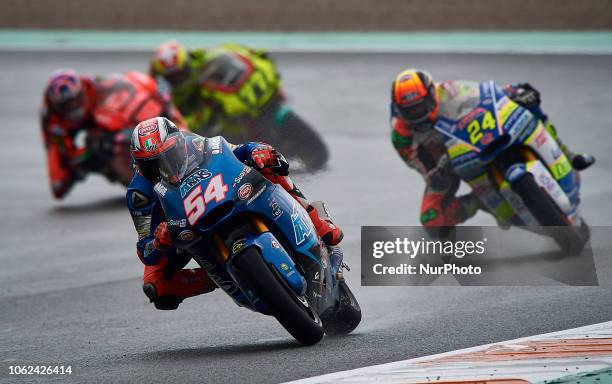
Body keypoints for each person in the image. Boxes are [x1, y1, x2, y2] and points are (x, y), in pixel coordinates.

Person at [126, 117, 342, 310]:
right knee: (157, 287)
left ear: (180, 144)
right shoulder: (139, 195)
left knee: (265, 163)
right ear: (138, 166)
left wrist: (258, 151)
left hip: (223, 196)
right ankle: (223, 277)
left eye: (168, 157)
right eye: (151, 166)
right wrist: (157, 242)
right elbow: (146, 253)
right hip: (182, 228)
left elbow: (236, 150)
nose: (162, 168)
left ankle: (317, 220)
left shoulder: (197, 144)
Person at [390, 69, 595, 229]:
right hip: (446, 163)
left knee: (529, 104)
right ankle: (480, 202)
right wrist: (436, 173)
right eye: (409, 110)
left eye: (419, 106)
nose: (416, 114)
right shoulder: (402, 135)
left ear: (430, 95)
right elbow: (419, 164)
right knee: (431, 217)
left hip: (477, 137)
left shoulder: (448, 92)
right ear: (400, 109)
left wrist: (514, 92)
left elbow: (485, 94)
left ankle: (568, 154)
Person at [40, 69, 185, 199]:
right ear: (55, 107)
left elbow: (154, 112)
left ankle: (173, 171)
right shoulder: (53, 121)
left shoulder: (107, 92)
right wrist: (83, 157)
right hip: (105, 144)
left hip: (152, 115)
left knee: (165, 134)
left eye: (74, 102)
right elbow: (58, 184)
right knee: (98, 144)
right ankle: (145, 181)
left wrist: (122, 136)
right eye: (65, 106)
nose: (72, 109)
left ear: (82, 93)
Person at [149, 40, 280, 135]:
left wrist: (257, 58)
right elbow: (176, 122)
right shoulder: (162, 94)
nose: (178, 79)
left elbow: (235, 51)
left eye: (181, 74)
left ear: (188, 63)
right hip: (204, 132)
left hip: (239, 109)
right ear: (163, 77)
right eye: (172, 77)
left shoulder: (203, 59)